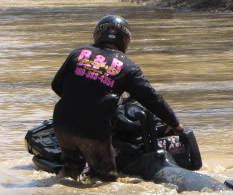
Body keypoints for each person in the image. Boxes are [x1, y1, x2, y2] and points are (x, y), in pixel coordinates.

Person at [51, 15, 184, 182]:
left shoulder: (77, 53)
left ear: (97, 35)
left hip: (62, 123)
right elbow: (151, 98)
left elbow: (56, 85)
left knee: (71, 169)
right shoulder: (128, 66)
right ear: (125, 40)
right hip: (93, 129)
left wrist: (80, 100)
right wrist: (175, 123)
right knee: (106, 179)